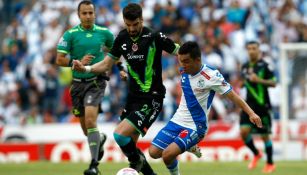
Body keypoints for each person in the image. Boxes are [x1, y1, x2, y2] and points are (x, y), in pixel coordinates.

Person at [72, 3, 181, 175]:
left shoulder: (153, 36)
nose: (131, 28)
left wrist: (193, 65)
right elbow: (106, 64)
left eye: (135, 24)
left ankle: (137, 163)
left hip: (152, 98)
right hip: (132, 98)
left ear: (142, 20)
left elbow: (179, 51)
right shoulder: (122, 38)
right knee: (131, 144)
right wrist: (85, 69)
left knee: (120, 135)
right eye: (128, 25)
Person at [148, 41, 263, 175]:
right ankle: (190, 145)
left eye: (186, 61)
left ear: (198, 60)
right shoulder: (184, 68)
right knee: (153, 153)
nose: (182, 65)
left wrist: (251, 113)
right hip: (177, 120)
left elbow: (233, 96)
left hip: (196, 126)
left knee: (168, 155)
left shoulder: (211, 76)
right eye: (180, 61)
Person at [56, 1, 114, 174]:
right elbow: (59, 59)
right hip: (77, 85)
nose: (88, 16)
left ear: (95, 14)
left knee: (90, 120)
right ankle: (100, 138)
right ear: (78, 15)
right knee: (86, 129)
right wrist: (76, 63)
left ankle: (94, 166)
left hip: (96, 82)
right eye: (84, 13)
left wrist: (119, 68)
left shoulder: (105, 33)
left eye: (90, 13)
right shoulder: (70, 34)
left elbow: (114, 54)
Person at [240, 41, 277, 173]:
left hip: (262, 106)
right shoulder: (244, 67)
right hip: (248, 105)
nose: (251, 51)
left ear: (258, 50)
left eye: (254, 48)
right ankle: (256, 153)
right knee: (244, 133)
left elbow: (274, 83)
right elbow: (244, 82)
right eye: (249, 48)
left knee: (265, 136)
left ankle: (270, 163)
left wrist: (259, 80)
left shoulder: (265, 66)